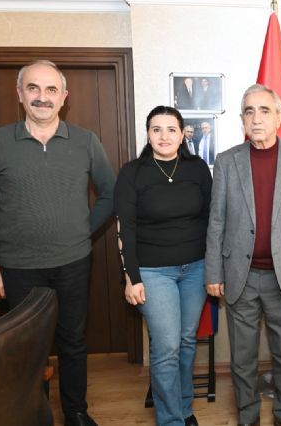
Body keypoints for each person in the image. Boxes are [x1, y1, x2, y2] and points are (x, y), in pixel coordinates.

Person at [0, 60, 115, 426]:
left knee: (73, 341)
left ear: (64, 97)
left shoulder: (85, 141)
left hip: (73, 262)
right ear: (19, 94)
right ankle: (32, 415)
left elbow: (110, 194)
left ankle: (76, 412)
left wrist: (82, 230)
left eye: (51, 90)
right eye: (33, 88)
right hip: (17, 267)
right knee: (24, 347)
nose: (42, 97)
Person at [205, 84, 281, 426]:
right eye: (249, 111)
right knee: (242, 358)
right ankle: (248, 416)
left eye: (264, 110)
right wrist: (214, 272)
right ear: (242, 119)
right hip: (240, 277)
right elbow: (216, 220)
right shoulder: (227, 162)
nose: (256, 118)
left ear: (279, 117)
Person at [114, 106, 211, 426]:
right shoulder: (132, 172)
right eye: (157, 129)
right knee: (167, 346)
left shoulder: (198, 169)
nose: (164, 136)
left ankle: (183, 408)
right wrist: (131, 277)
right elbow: (125, 228)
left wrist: (215, 268)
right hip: (153, 273)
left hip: (196, 268)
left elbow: (212, 219)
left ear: (183, 135)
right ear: (148, 134)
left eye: (172, 129)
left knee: (186, 341)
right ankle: (170, 420)